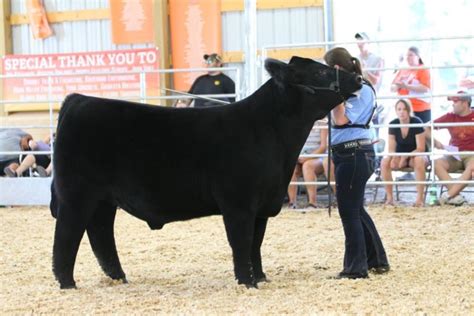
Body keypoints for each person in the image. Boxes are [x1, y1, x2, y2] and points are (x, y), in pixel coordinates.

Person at [324, 47, 389, 279]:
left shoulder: (361, 89)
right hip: (350, 154)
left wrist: (335, 96)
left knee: (349, 211)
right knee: (355, 209)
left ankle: (355, 268)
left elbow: (341, 119)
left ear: (337, 68)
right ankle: (377, 260)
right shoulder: (355, 89)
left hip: (354, 154)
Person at [426, 91, 474, 205]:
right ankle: (455, 196)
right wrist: (435, 142)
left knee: (472, 167)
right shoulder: (450, 116)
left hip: (472, 154)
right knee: (436, 163)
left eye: (455, 101)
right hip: (454, 154)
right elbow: (426, 127)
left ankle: (448, 195)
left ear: (465, 103)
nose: (452, 104)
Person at [380, 99, 429, 207]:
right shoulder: (393, 124)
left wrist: (405, 156)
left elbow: (421, 148)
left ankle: (419, 200)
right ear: (396, 111)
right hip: (399, 155)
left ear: (409, 110)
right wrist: (395, 157)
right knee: (385, 161)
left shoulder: (416, 122)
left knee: (418, 160)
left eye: (404, 109)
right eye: (399, 109)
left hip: (416, 154)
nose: (402, 112)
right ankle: (390, 198)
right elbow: (391, 149)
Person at [287, 119, 334, 209]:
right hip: (301, 157)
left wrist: (306, 158)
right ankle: (292, 203)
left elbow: (323, 147)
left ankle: (312, 203)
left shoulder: (322, 122)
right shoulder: (297, 123)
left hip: (318, 157)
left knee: (307, 166)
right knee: (291, 168)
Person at [355, 32, 386, 139]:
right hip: (359, 100)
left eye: (361, 40)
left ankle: (374, 152)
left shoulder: (378, 59)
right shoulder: (355, 59)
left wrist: (364, 70)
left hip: (373, 100)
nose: (359, 43)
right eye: (357, 40)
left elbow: (376, 80)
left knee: (374, 131)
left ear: (368, 42)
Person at [391, 46, 431, 123]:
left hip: (420, 109)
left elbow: (426, 88)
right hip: (404, 109)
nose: (407, 57)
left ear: (418, 56)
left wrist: (406, 86)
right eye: (406, 55)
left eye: (410, 55)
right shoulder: (403, 70)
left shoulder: (423, 69)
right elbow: (392, 87)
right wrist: (397, 86)